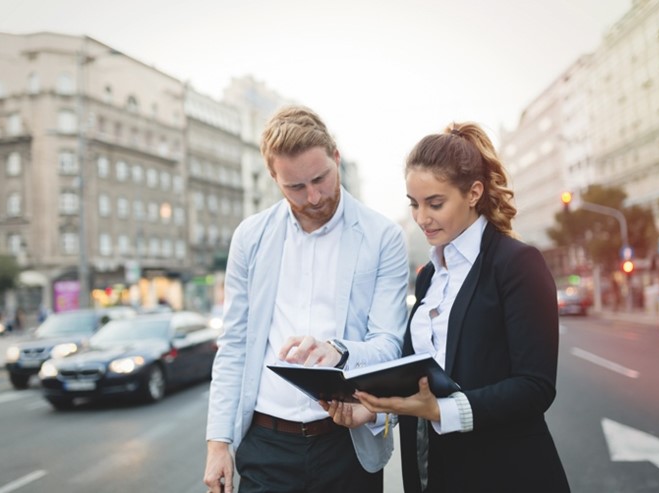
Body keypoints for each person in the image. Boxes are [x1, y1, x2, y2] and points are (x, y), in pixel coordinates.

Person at [349, 122, 570, 492]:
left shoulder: (516, 263)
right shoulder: (429, 277)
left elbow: (535, 387)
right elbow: (418, 379)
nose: (421, 218)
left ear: (474, 193)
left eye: (435, 203)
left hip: (506, 473)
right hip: (432, 471)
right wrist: (373, 408)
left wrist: (441, 410)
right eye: (414, 204)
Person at [203, 105, 409, 493]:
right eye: (295, 187)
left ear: (336, 157)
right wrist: (218, 443)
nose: (313, 197)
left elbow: (390, 345)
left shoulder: (383, 237)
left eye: (321, 179)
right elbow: (233, 345)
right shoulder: (250, 237)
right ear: (274, 178)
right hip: (266, 444)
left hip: (346, 444)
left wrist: (338, 350)